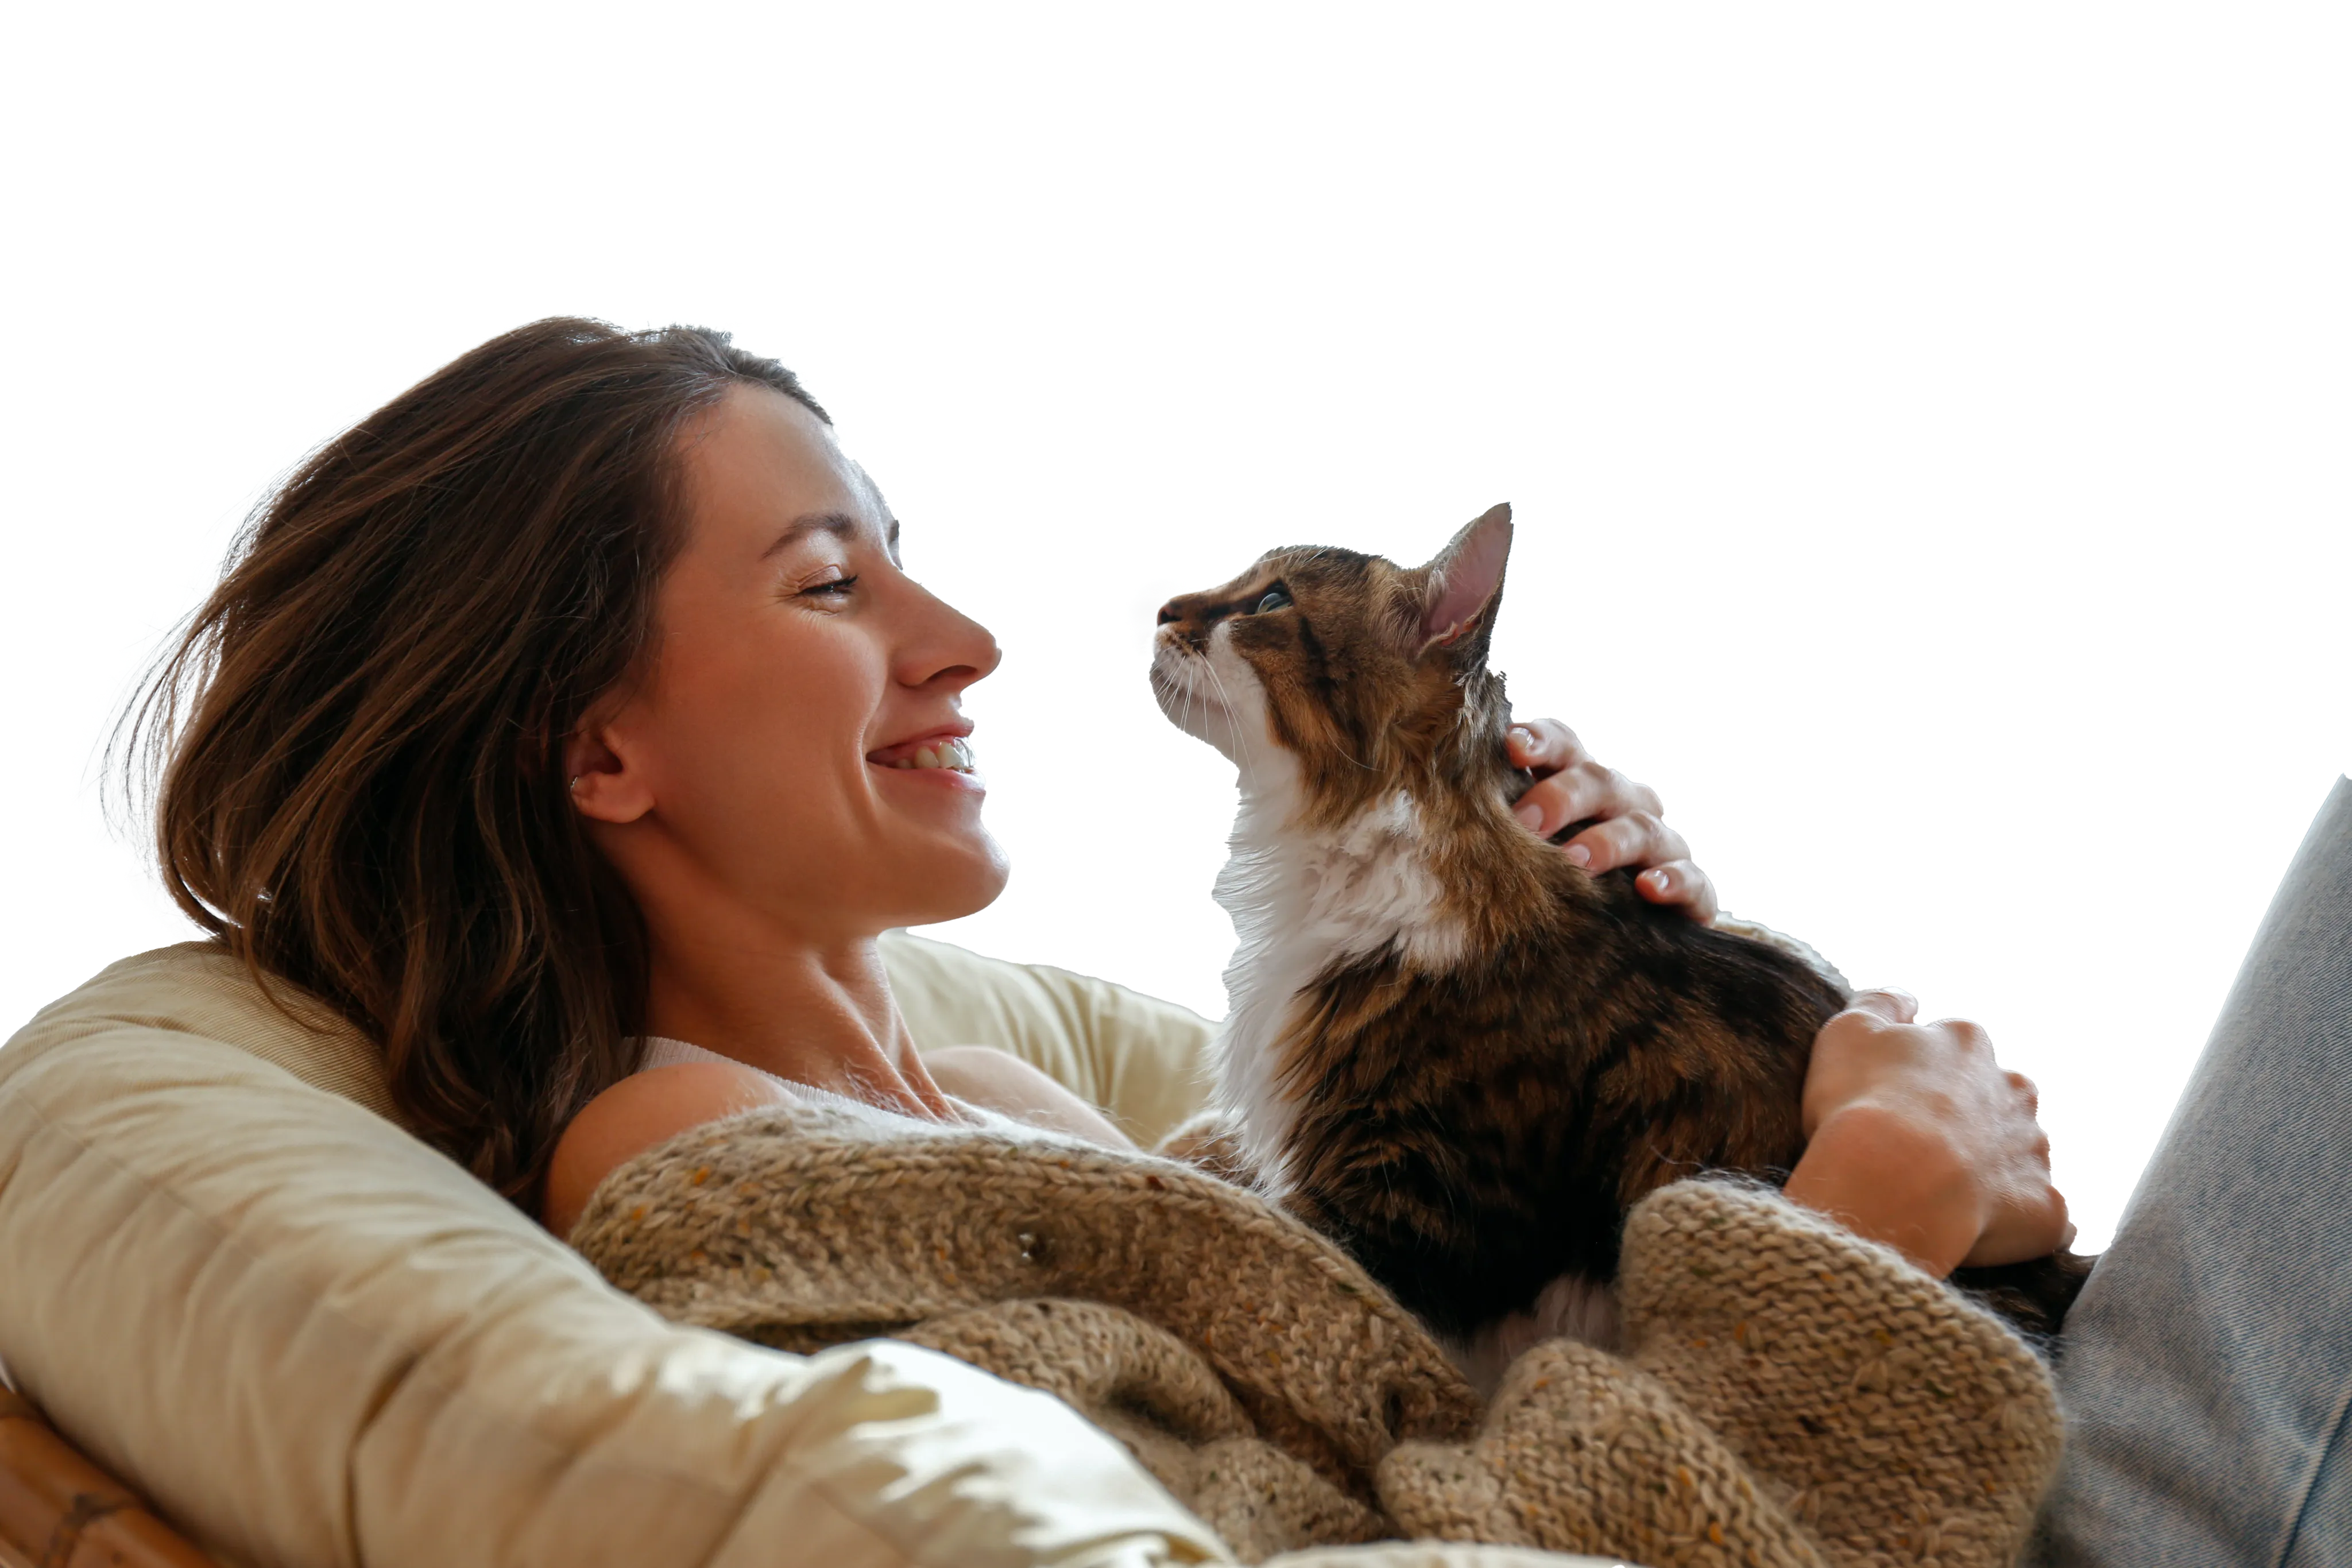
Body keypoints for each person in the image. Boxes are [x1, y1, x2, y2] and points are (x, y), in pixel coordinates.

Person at [95, 313, 2267, 1563]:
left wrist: (1603, 1008)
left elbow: (1439, 1336)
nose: (968, 643)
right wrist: (1853, 1229)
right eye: (832, 585)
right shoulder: (738, 1198)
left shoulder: (1000, 1095)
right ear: (597, 755)